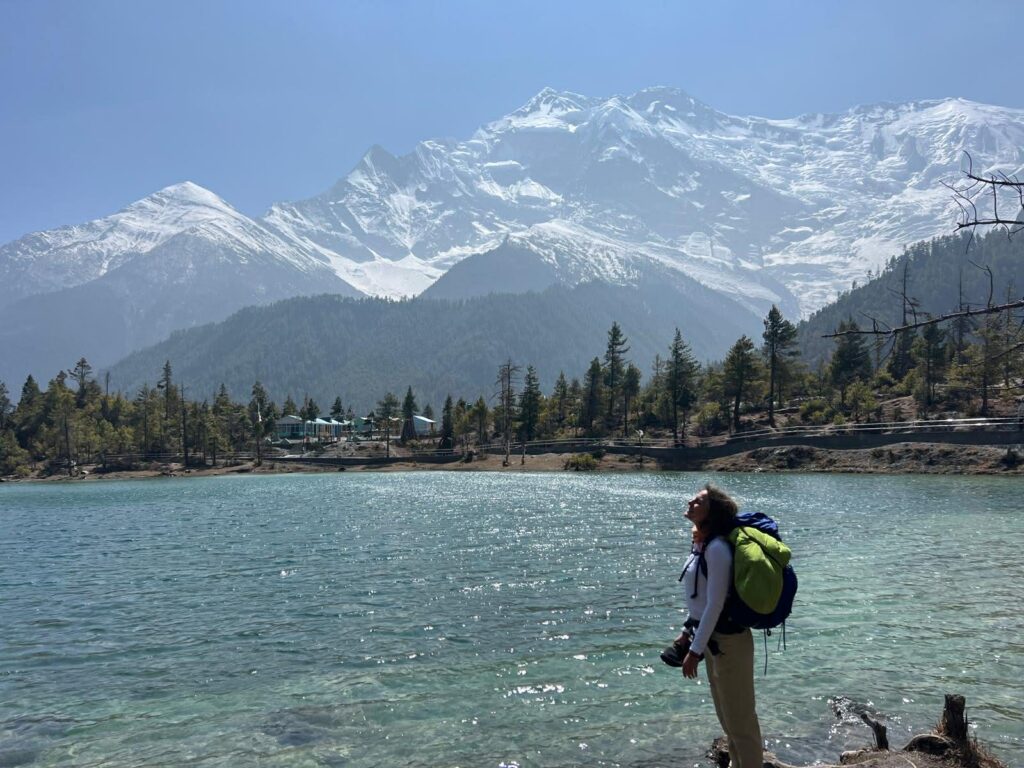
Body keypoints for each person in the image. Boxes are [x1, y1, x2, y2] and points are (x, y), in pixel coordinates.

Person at [676, 484, 763, 768]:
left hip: (729, 643)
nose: (690, 501)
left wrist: (695, 651)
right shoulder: (702, 544)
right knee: (729, 722)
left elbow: (715, 604)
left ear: (711, 512)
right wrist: (688, 631)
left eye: (698, 500)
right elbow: (700, 601)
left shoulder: (717, 549)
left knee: (741, 724)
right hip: (713, 642)